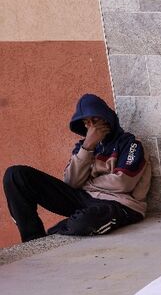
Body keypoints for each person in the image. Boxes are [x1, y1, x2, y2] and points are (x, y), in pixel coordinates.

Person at [4, 94, 151, 242]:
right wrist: (88, 147)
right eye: (87, 123)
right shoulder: (83, 147)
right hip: (84, 198)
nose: (91, 127)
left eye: (95, 120)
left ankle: (55, 232)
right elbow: (71, 183)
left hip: (119, 204)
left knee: (84, 222)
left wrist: (87, 183)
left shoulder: (131, 144)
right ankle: (33, 239)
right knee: (15, 175)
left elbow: (123, 183)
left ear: (107, 118)